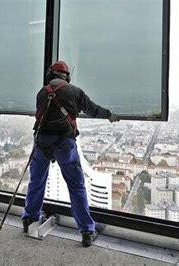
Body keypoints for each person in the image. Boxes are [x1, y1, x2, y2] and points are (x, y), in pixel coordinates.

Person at [22, 61, 119, 247]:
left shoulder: (42, 93)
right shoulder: (75, 92)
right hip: (64, 144)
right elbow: (92, 109)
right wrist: (109, 115)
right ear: (67, 76)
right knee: (76, 187)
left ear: (51, 75)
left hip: (42, 143)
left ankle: (29, 220)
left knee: (36, 182)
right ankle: (87, 231)